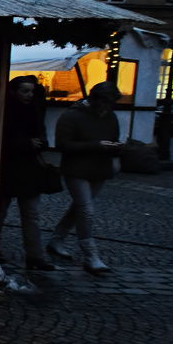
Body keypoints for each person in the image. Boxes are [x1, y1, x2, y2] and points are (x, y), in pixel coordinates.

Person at [47, 81, 122, 274]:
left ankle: (56, 240)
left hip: (99, 168)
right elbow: (63, 144)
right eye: (105, 101)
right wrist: (97, 145)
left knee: (79, 208)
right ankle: (91, 256)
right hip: (76, 168)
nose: (107, 106)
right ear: (95, 99)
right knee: (86, 209)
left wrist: (114, 148)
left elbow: (114, 137)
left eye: (110, 102)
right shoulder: (72, 115)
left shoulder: (110, 116)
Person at [0, 76, 55, 271]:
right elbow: (0, 138)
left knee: (30, 214)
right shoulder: (6, 112)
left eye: (31, 91)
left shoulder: (34, 111)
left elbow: (42, 137)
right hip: (8, 168)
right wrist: (26, 143)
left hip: (26, 168)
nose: (29, 95)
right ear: (13, 92)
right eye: (25, 91)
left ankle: (35, 255)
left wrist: (39, 143)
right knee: (0, 213)